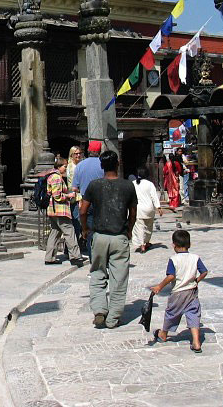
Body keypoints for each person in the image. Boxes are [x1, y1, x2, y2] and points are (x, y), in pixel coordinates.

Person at [80, 150, 137, 329]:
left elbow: (83, 211)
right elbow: (133, 213)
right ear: (118, 164)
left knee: (97, 274)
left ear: (101, 166)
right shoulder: (128, 186)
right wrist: (129, 230)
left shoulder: (94, 185)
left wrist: (84, 229)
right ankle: (113, 318)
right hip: (119, 236)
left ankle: (99, 310)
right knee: (118, 278)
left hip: (99, 236)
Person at [150, 229, 209, 353]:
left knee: (171, 313)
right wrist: (196, 280)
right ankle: (196, 342)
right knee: (193, 314)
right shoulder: (195, 258)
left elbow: (171, 276)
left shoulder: (173, 259)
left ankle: (163, 334)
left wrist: (159, 287)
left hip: (178, 292)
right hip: (192, 292)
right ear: (190, 244)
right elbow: (204, 272)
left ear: (173, 245)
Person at [44, 157, 83, 266]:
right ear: (59, 166)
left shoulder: (52, 176)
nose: (65, 169)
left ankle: (50, 257)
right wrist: (68, 195)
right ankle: (75, 257)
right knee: (69, 232)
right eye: (64, 166)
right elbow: (57, 196)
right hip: (60, 210)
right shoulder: (56, 177)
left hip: (53, 210)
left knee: (55, 233)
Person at [72, 140, 105, 247]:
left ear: (88, 150)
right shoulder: (104, 164)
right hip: (102, 201)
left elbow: (74, 188)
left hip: (86, 201)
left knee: (90, 232)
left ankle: (93, 258)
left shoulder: (80, 165)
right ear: (99, 151)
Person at [132, 166, 160, 253]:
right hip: (149, 209)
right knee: (149, 227)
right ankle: (146, 242)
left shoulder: (133, 183)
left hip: (138, 209)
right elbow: (154, 197)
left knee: (139, 227)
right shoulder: (150, 184)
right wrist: (158, 207)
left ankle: (142, 244)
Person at [66, 145, 84, 240]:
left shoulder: (79, 165)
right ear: (71, 155)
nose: (78, 155)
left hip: (80, 196)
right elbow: (74, 185)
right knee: (76, 222)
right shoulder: (72, 167)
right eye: (75, 153)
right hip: (75, 198)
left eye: (79, 153)